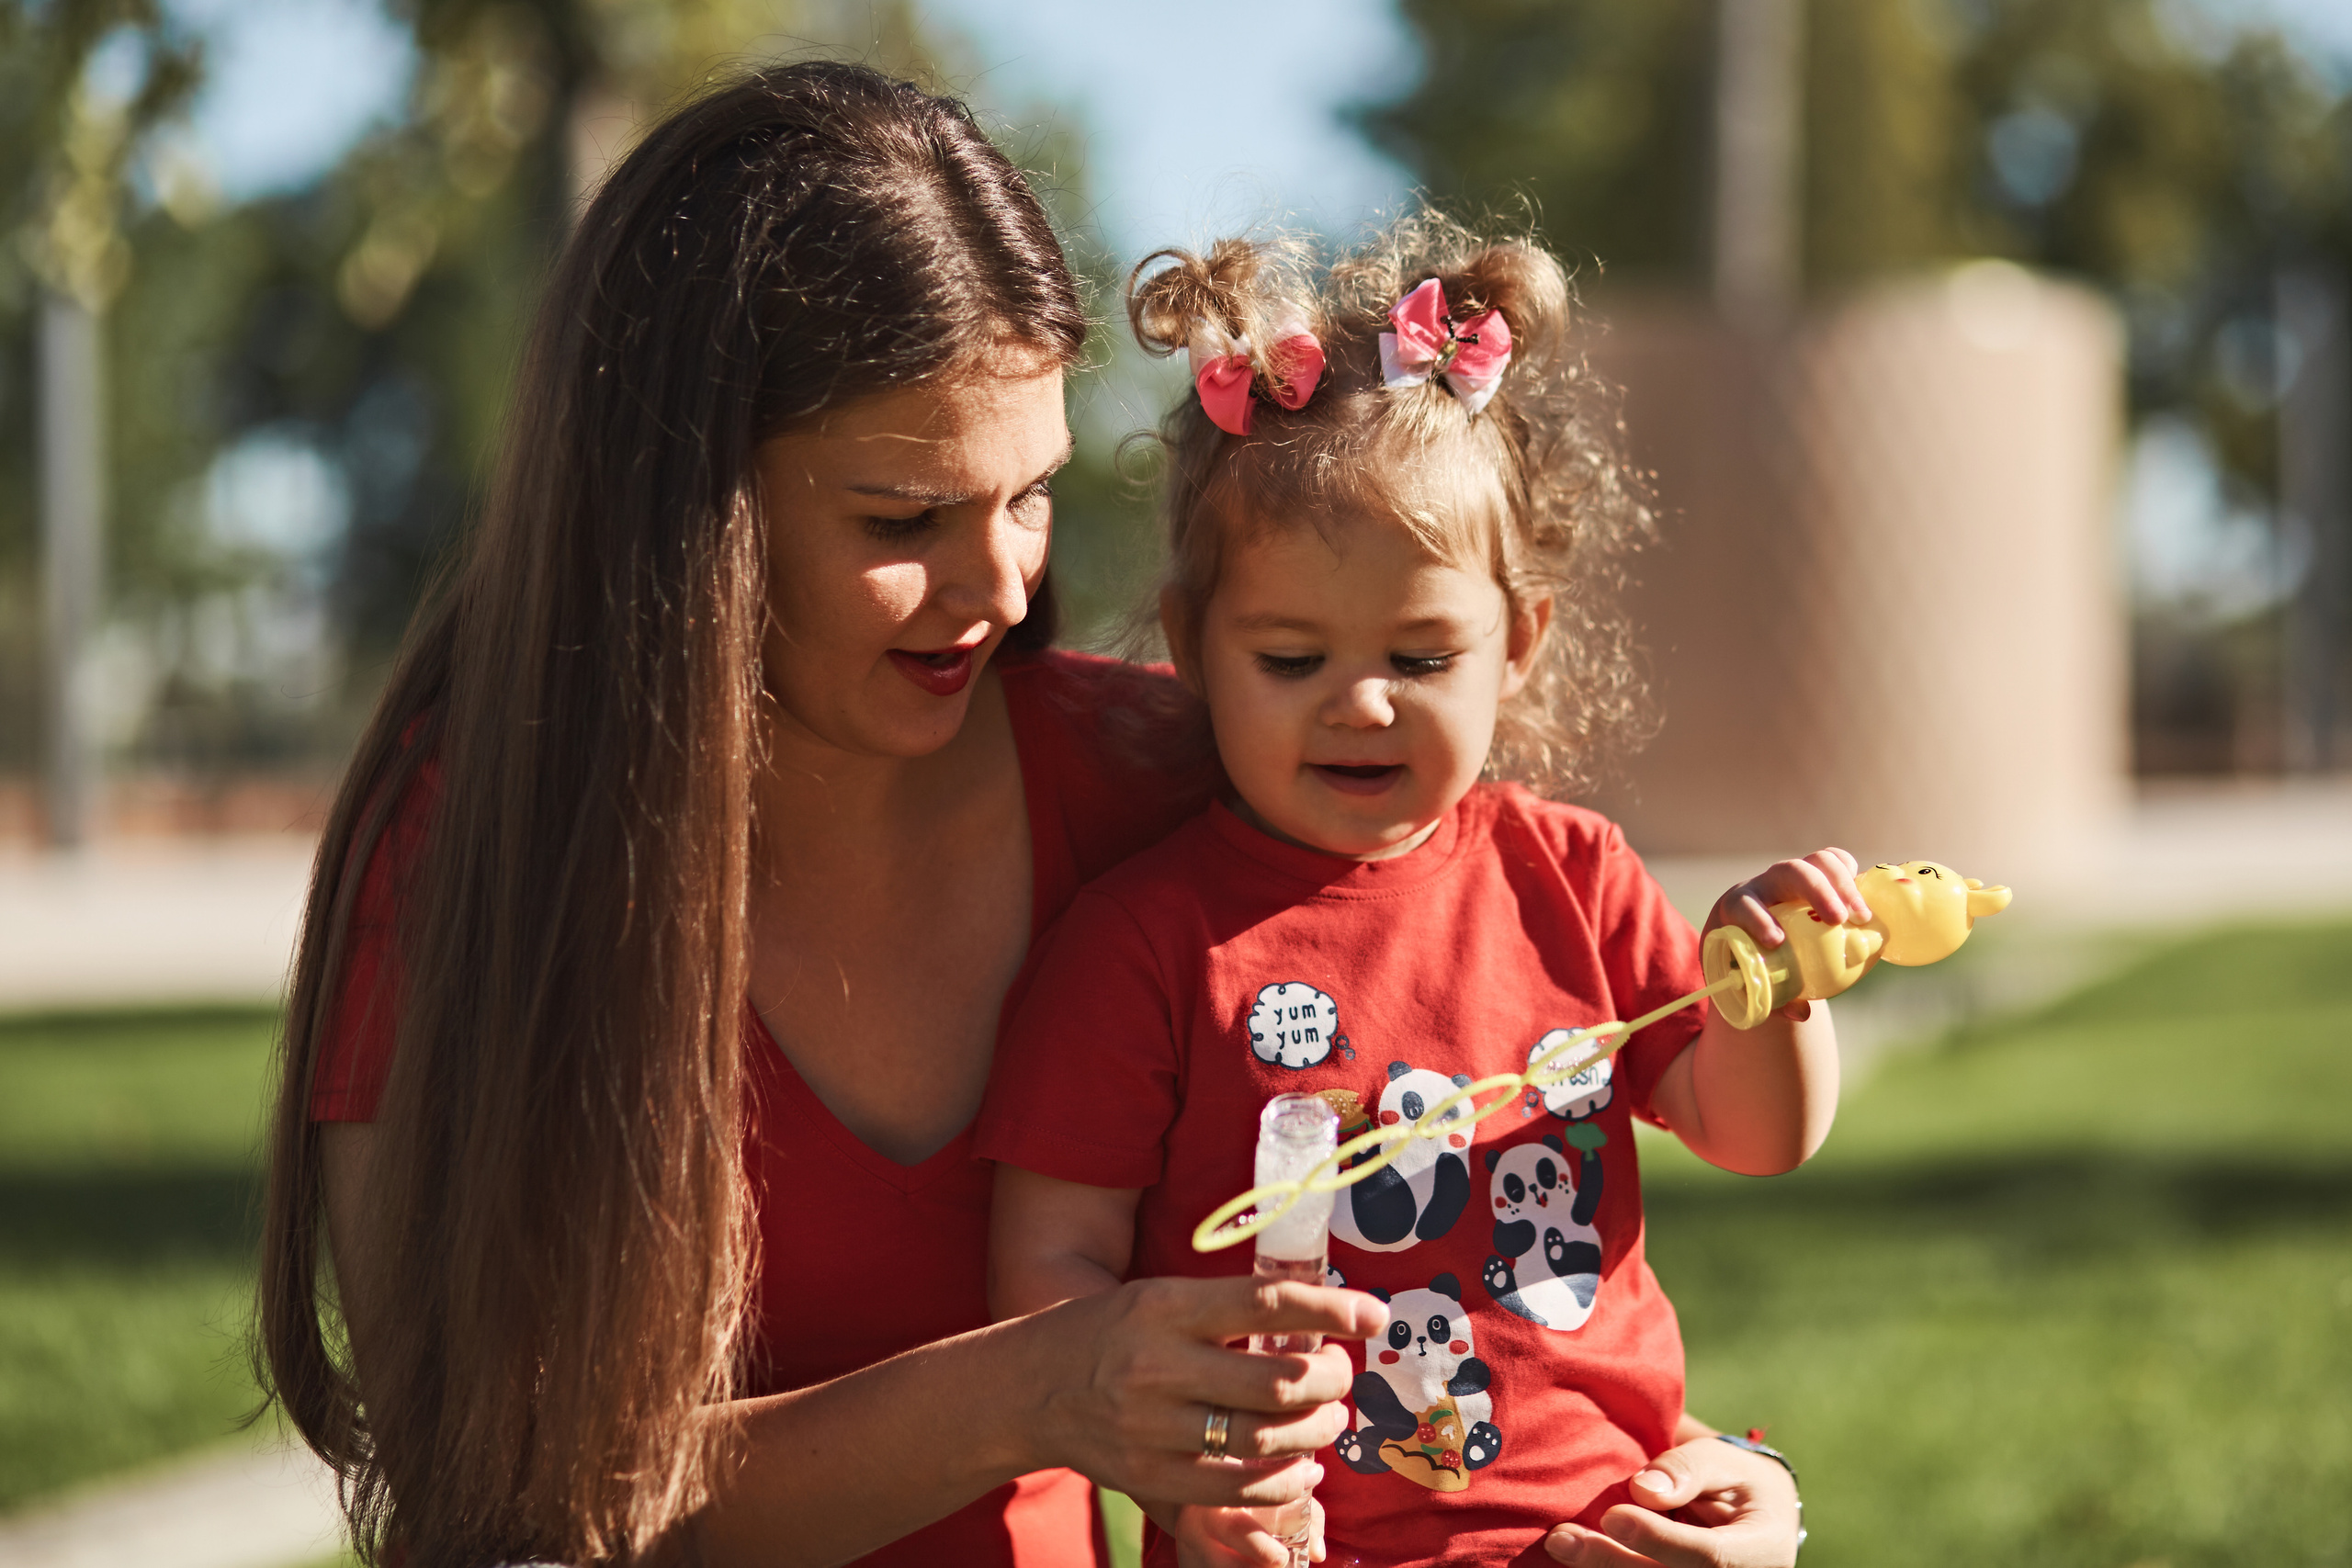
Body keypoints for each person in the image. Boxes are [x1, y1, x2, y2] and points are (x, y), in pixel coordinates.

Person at [253, 63, 1386, 1568]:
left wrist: (1666, 1469)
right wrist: (1035, 1390)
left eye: (1032, 494)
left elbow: (1483, 1162)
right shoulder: (470, 848)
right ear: (686, 501)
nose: (1005, 589)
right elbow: (516, 1503)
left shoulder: (1153, 782)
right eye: (903, 518)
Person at [979, 218, 1834, 1567]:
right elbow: (1049, 1276)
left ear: (1521, 643)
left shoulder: (1575, 878)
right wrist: (1201, 1478)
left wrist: (1772, 988)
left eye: (1425, 656)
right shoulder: (1147, 944)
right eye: (1293, 656)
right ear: (1195, 649)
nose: (1363, 701)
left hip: (1610, 1534)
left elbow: (1756, 1132)